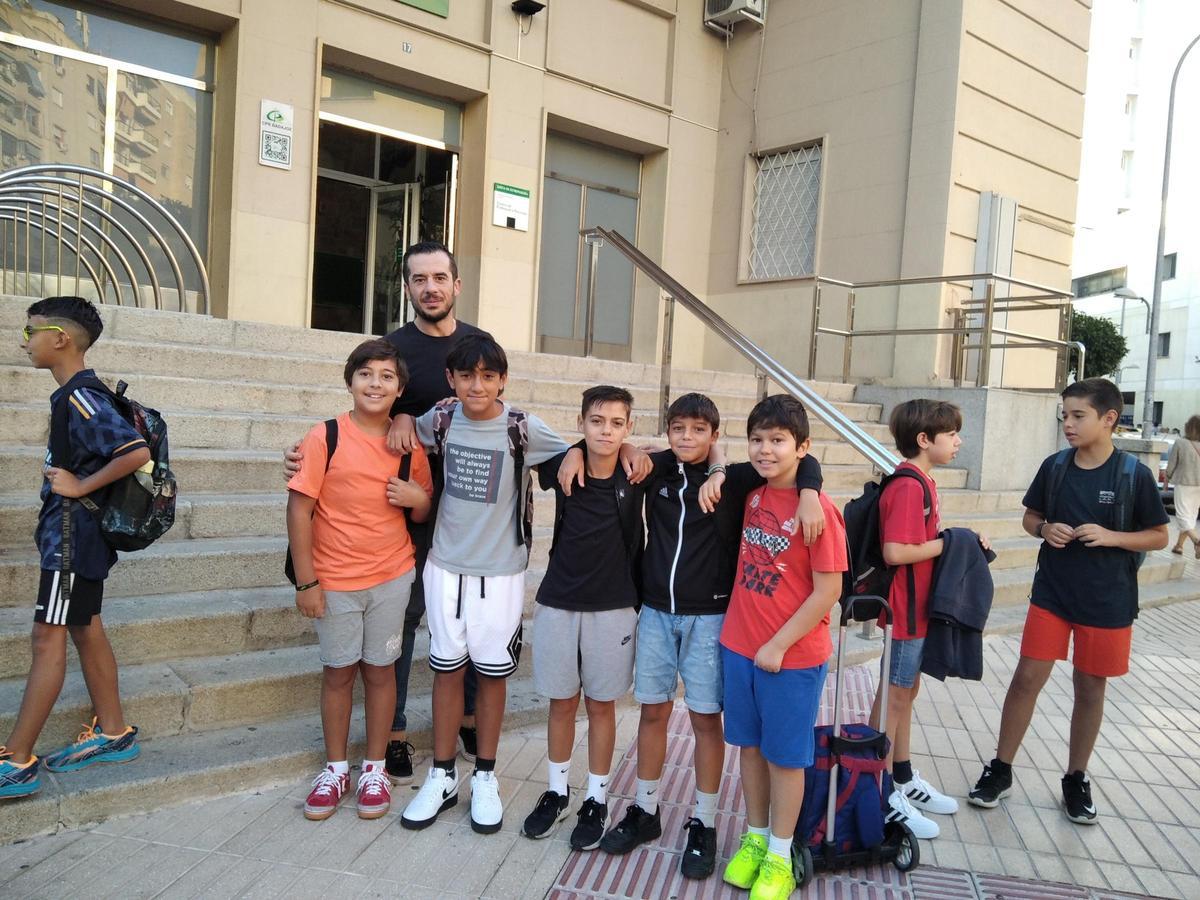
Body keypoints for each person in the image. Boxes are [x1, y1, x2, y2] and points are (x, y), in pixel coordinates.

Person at [592, 392, 826, 880]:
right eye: (678, 429)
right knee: (652, 712)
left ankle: (704, 821)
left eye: (699, 430)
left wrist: (808, 493)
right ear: (668, 431)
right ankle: (646, 809)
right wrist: (581, 448)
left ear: (716, 436)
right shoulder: (655, 469)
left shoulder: (739, 479)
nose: (687, 438)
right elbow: (607, 447)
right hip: (656, 611)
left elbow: (802, 460)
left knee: (705, 720)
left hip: (712, 618)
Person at [286, 241, 484, 784]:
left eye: (440, 277)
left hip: (463, 503)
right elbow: (365, 419)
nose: (431, 287)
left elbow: (495, 408)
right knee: (409, 618)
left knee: (465, 611)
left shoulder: (479, 345)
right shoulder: (392, 349)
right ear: (408, 288)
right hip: (399, 505)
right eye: (419, 279)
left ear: (456, 284)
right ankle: (392, 735)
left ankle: (468, 717)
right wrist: (400, 419)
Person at [968, 378, 1169, 824]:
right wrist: (1044, 529)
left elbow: (1159, 534)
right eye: (1065, 415)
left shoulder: (1133, 475)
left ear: (1109, 419)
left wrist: (1112, 536)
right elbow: (1030, 517)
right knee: (1025, 678)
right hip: (1053, 594)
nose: (1068, 424)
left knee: (1090, 687)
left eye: (1078, 416)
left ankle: (1076, 778)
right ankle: (1000, 769)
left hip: (1108, 601)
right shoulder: (1055, 467)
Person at [396, 332, 570, 834]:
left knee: (492, 674)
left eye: (488, 376)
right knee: (447, 670)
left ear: (503, 381)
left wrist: (597, 453)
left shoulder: (522, 428)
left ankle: (487, 777)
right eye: (467, 375)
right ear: (450, 379)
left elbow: (576, 453)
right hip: (445, 565)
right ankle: (444, 775)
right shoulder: (441, 420)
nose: (478, 385)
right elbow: (397, 430)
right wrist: (407, 416)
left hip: (502, 573)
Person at [0, 297, 150, 800]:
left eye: (30, 332)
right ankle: (113, 731)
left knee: (49, 640)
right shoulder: (73, 395)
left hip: (70, 542)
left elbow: (134, 452)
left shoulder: (80, 397)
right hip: (75, 541)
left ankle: (17, 760)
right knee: (86, 629)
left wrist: (79, 487)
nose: (24, 341)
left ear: (60, 338)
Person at [286, 339, 433, 821]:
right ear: (350, 381)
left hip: (392, 576)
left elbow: (425, 505)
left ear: (400, 389)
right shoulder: (324, 436)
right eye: (366, 374)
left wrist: (414, 496)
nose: (375, 383)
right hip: (335, 580)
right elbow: (300, 507)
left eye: (387, 376)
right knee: (338, 673)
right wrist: (307, 582)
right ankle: (334, 769)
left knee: (381, 670)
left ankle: (373, 768)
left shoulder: (408, 446)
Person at [719, 395, 848, 900]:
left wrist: (777, 644)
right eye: (757, 439)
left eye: (777, 441)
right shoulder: (752, 495)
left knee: (785, 758)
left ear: (802, 448)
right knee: (749, 748)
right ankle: (753, 839)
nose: (765, 450)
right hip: (739, 646)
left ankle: (779, 851)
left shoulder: (820, 512)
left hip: (789, 658)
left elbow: (829, 590)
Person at [520, 386, 646, 852]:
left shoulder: (638, 470)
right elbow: (525, 442)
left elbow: (710, 453)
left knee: (601, 705)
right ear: (581, 422)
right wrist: (572, 451)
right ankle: (557, 792)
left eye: (617, 423)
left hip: (613, 606)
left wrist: (630, 449)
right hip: (559, 599)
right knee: (560, 702)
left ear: (629, 427)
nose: (606, 431)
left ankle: (596, 797)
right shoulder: (561, 465)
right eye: (596, 421)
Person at [867, 399, 988, 840]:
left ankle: (900, 776)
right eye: (952, 433)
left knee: (905, 691)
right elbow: (896, 552)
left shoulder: (924, 482)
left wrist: (958, 540)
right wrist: (954, 541)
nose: (958, 441)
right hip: (905, 610)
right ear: (924, 440)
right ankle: (879, 792)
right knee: (895, 695)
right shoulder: (907, 487)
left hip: (917, 608)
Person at [1166, 416, 1200, 556]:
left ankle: (1197, 540)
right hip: (1199, 486)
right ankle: (1179, 546)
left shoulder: (1180, 443)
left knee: (1181, 516)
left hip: (1184, 484)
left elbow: (1172, 464)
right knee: (1191, 516)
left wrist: (1167, 479)